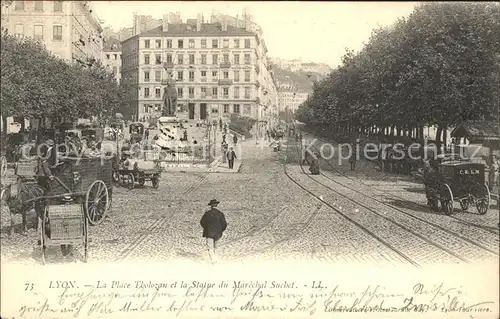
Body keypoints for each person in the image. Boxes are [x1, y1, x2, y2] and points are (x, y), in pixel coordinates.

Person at [200, 199, 227, 263]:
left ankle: (213, 260)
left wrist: (206, 228)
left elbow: (202, 222)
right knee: (215, 247)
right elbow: (224, 224)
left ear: (211, 206)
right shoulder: (220, 214)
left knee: (210, 247)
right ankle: (216, 259)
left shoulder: (207, 213)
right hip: (218, 233)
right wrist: (220, 230)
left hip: (209, 233)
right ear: (217, 205)